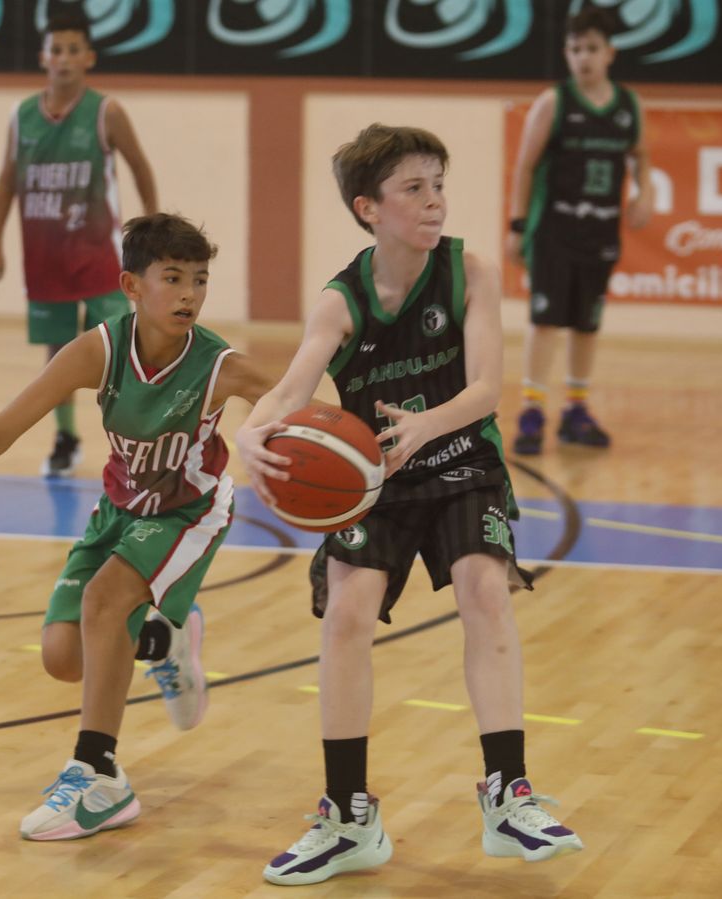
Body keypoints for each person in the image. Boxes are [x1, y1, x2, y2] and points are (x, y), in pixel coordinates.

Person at [235, 124, 583, 887]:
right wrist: (250, 434)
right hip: (379, 478)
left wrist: (427, 423)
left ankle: (508, 794)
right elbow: (293, 387)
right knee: (347, 613)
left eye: (438, 185)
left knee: (485, 589)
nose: (434, 203)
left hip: (462, 457)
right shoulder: (342, 300)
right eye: (414, 189)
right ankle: (348, 815)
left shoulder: (468, 270)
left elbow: (490, 388)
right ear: (370, 208)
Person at [0, 214, 272, 841]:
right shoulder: (99, 350)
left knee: (105, 602)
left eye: (201, 280)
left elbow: (302, 405)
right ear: (132, 285)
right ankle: (165, 638)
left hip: (191, 510)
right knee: (62, 658)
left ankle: (99, 775)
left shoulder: (221, 365)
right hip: (119, 510)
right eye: (173, 278)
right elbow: (1, 430)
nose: (189, 293)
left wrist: (346, 445)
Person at [0, 10, 158, 478]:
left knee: (118, 352)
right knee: (58, 356)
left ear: (89, 57)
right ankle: (65, 437)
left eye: (73, 49)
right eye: (55, 49)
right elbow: (5, 184)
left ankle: (130, 444)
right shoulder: (22, 116)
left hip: (99, 257)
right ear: (43, 57)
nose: (63, 57)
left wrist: (153, 226)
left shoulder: (106, 112)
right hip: (44, 257)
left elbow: (140, 166)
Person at [507, 7, 651, 455]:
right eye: (574, 49)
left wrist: (644, 193)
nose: (582, 57)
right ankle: (532, 411)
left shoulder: (629, 106)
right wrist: (517, 225)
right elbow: (526, 167)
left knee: (587, 324)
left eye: (591, 49)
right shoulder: (555, 103)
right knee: (547, 320)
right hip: (554, 228)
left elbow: (641, 155)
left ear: (610, 52)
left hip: (600, 230)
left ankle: (577, 410)